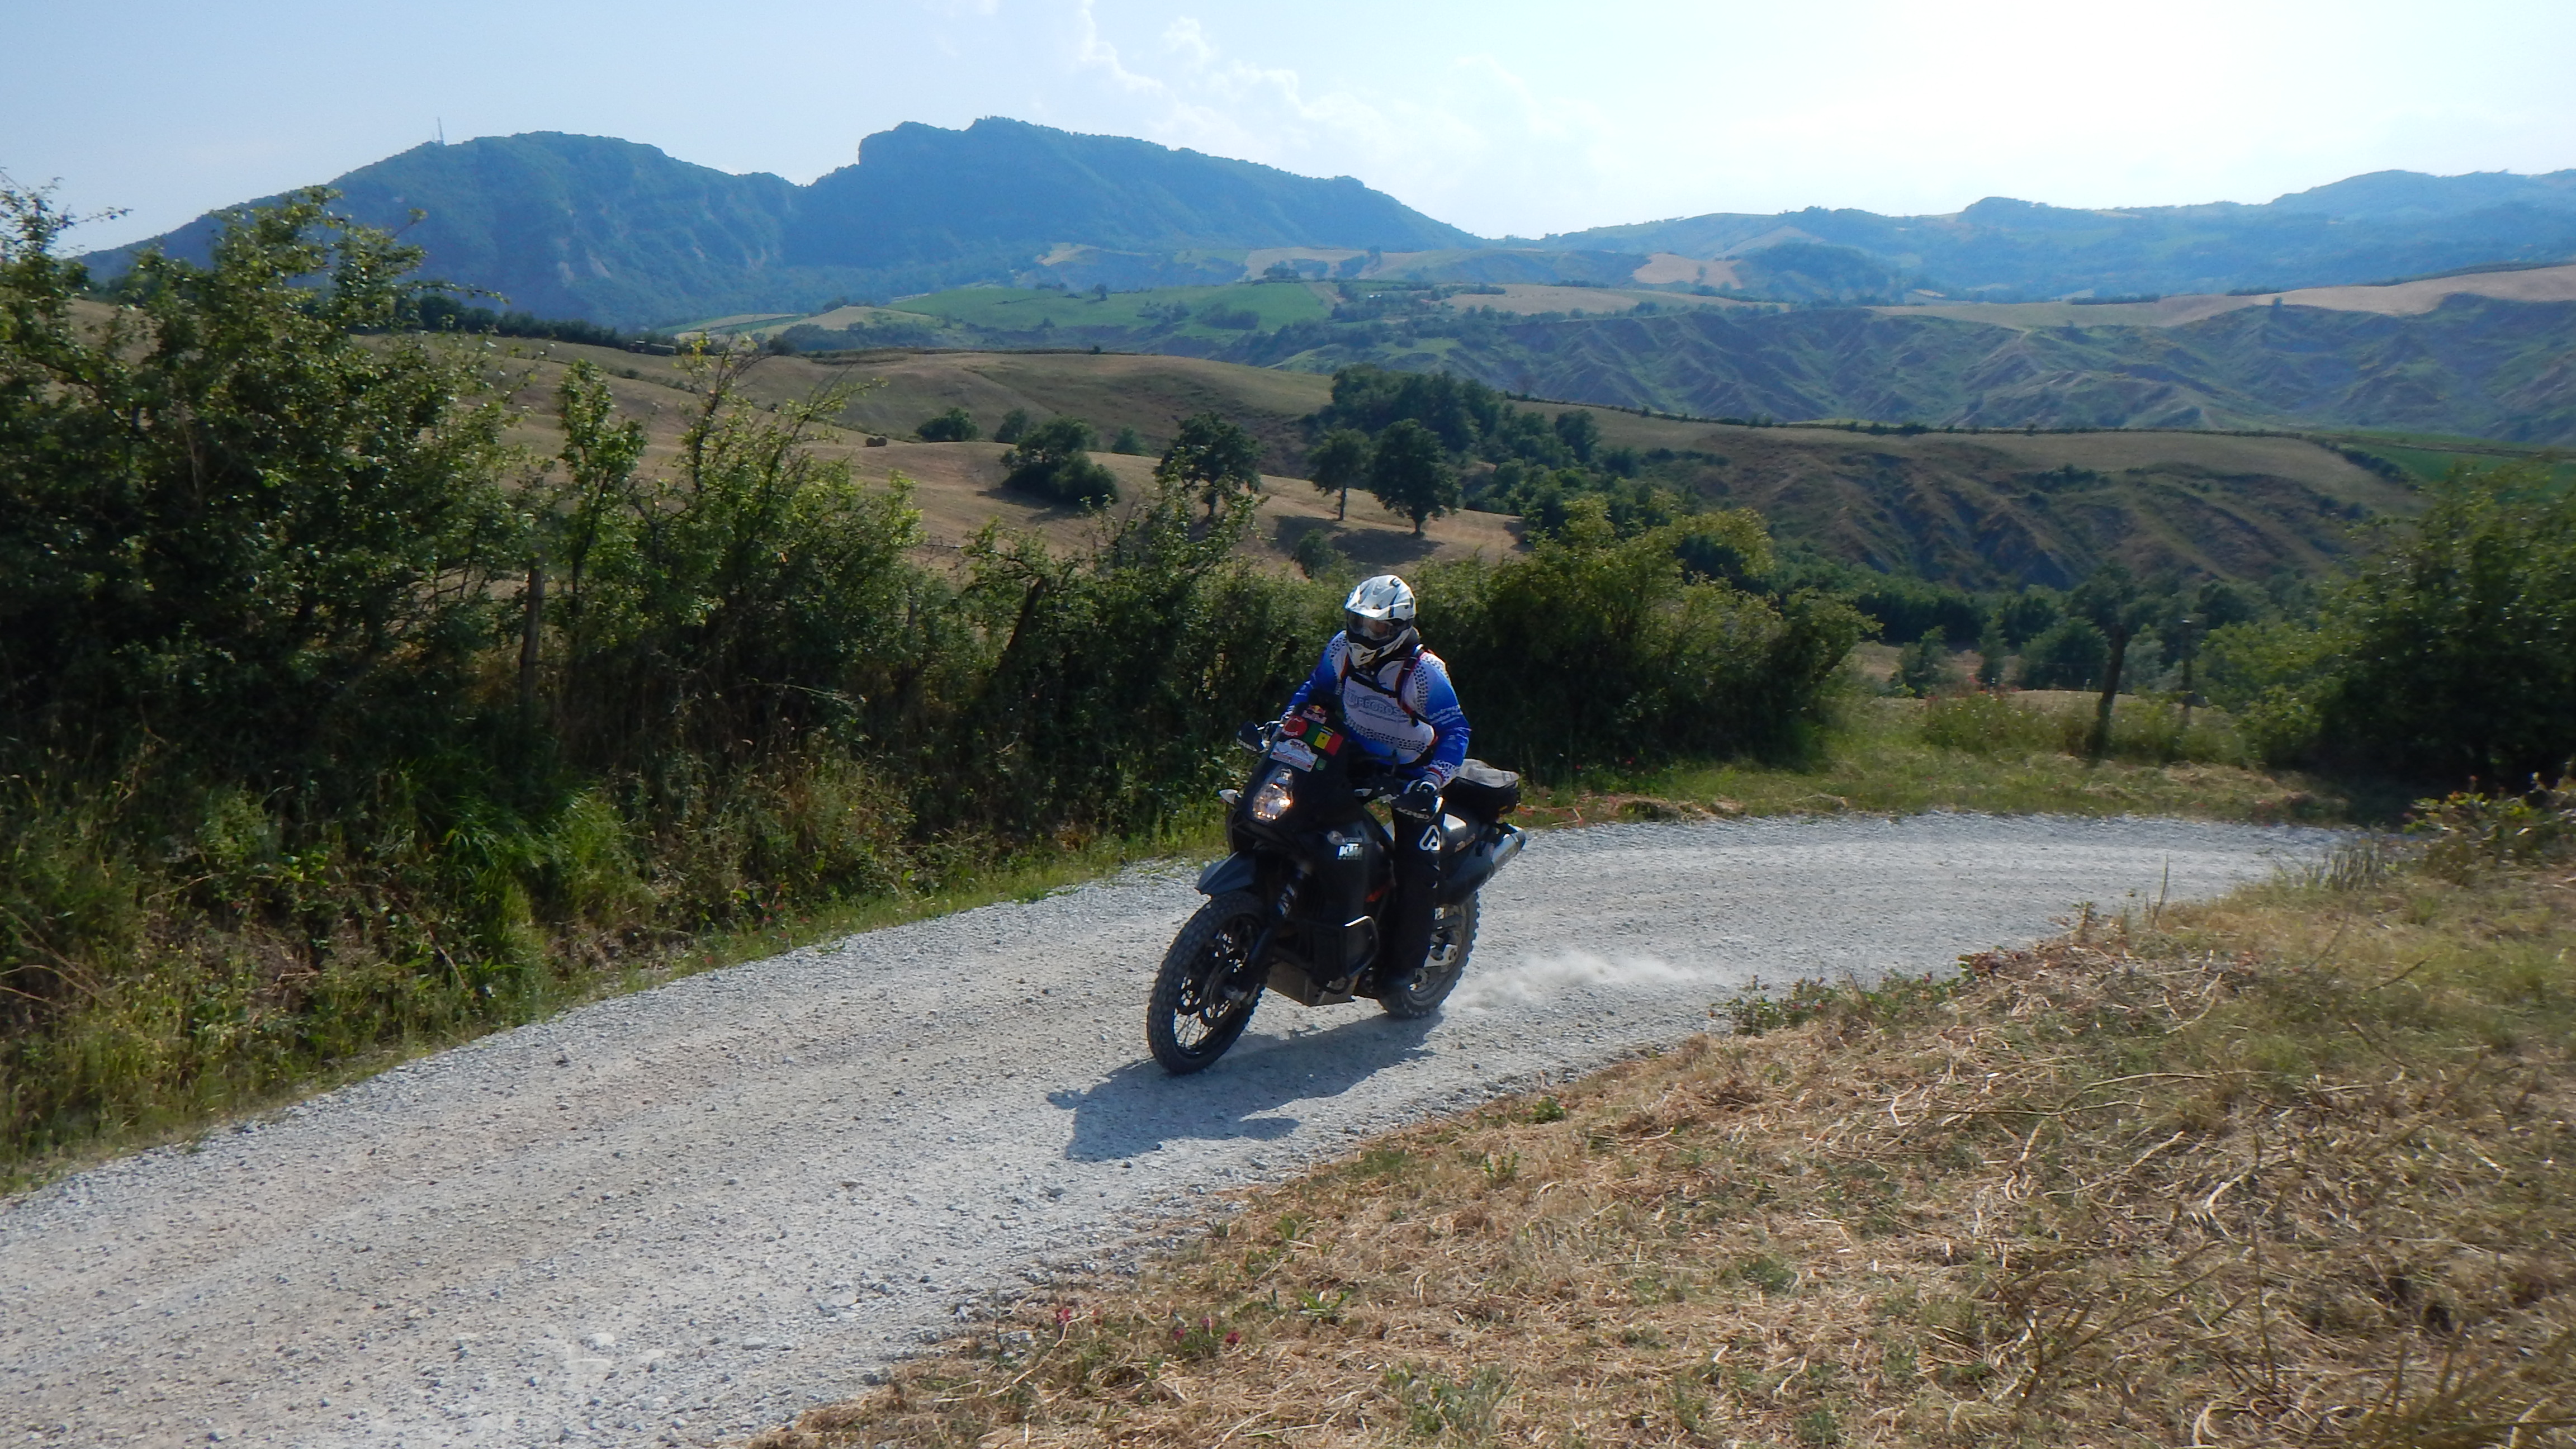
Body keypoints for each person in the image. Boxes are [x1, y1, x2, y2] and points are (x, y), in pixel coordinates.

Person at [1279, 574, 1470, 991]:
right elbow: (1315, 690)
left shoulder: (1424, 673)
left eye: (1378, 627)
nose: (1365, 634)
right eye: (1359, 622)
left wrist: (1432, 782)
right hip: (1353, 757)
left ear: (1400, 628)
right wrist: (1284, 724)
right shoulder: (1340, 649)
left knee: (1416, 868)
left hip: (1412, 776)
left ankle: (1402, 970)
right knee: (1299, 819)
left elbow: (1456, 733)